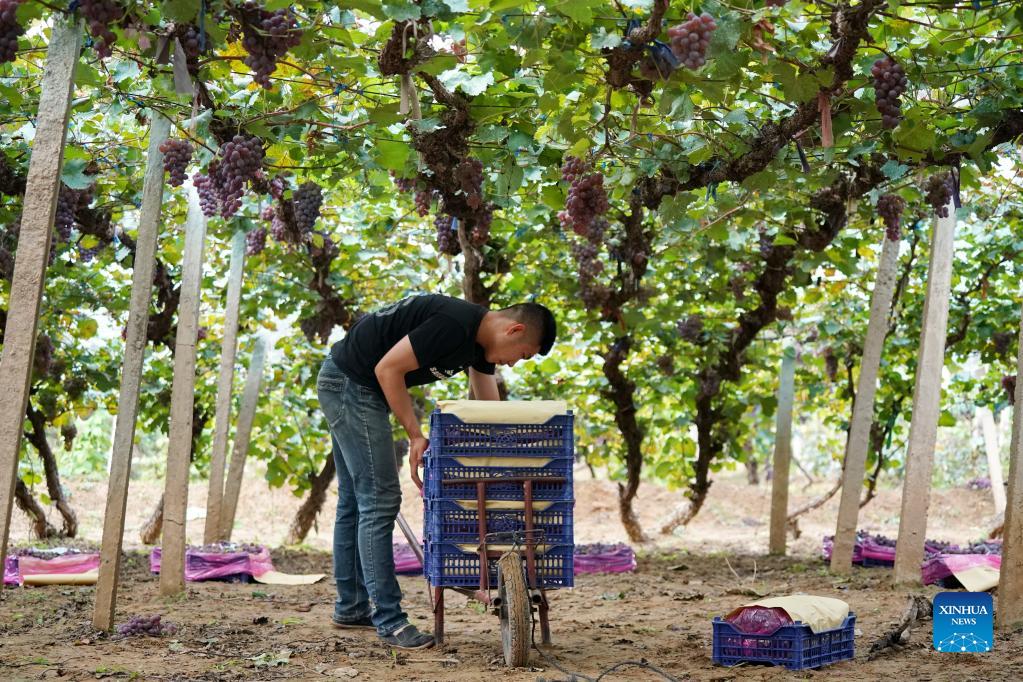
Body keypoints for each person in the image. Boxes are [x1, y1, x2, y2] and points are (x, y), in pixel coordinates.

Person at [317, 293, 556, 649]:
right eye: (522, 355)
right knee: (380, 500)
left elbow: (491, 413)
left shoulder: (479, 345)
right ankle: (390, 621)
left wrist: (510, 456)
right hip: (352, 384)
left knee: (355, 502)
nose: (513, 363)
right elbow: (387, 369)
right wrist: (415, 435)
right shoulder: (454, 324)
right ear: (514, 330)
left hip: (351, 383)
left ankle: (351, 608)